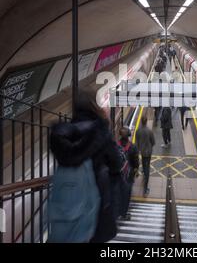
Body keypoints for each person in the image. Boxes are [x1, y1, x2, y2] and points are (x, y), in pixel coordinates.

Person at [49, 90, 122, 243]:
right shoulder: (101, 132)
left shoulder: (64, 136)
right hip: (98, 203)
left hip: (71, 207)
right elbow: (116, 163)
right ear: (93, 106)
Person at [118, 126, 139, 220]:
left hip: (118, 174)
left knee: (118, 192)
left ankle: (117, 211)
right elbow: (136, 163)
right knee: (126, 194)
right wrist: (136, 170)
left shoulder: (115, 145)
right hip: (128, 175)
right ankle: (124, 213)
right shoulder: (133, 147)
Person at [136, 115, 156, 197]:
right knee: (147, 167)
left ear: (141, 121)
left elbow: (137, 141)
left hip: (142, 151)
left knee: (144, 164)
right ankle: (145, 189)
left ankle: (144, 172)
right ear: (146, 121)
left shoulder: (138, 131)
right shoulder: (149, 131)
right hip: (149, 151)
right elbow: (153, 142)